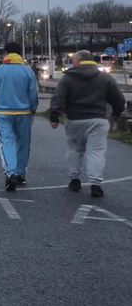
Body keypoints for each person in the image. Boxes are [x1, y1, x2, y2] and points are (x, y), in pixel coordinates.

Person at [49, 50, 126, 198]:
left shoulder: (68, 78)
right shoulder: (105, 78)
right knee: (96, 152)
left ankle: (74, 179)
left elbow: (58, 97)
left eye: (74, 60)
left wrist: (54, 116)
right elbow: (118, 99)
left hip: (75, 119)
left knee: (75, 149)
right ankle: (96, 184)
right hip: (98, 119)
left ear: (79, 61)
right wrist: (116, 113)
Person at [0, 41, 39, 192]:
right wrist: (33, 108)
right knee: (23, 143)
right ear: (20, 54)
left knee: (7, 142)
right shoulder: (28, 71)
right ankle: (20, 173)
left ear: (6, 53)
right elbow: (33, 93)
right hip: (25, 113)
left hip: (3, 113)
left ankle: (11, 172)